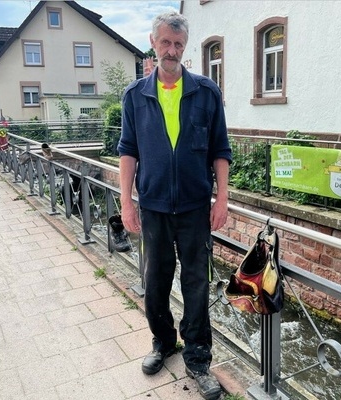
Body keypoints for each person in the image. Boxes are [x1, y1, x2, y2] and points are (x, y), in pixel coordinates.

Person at [117, 11, 232, 400]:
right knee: (155, 282)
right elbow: (128, 152)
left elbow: (220, 150)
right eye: (165, 42)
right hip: (153, 207)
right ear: (153, 42)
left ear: (185, 48)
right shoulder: (136, 95)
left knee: (197, 284)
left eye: (179, 45)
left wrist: (222, 199)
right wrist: (127, 203)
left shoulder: (206, 92)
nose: (172, 51)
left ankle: (198, 359)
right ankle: (163, 342)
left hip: (196, 208)